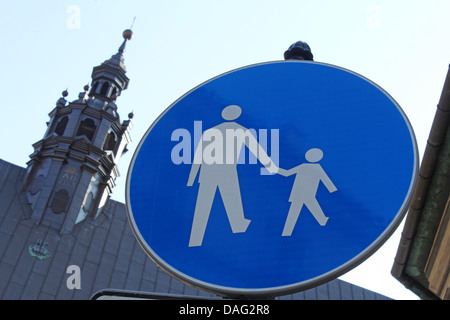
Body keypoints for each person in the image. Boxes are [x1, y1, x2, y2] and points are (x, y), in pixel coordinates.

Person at [187, 105, 279, 247]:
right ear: (237, 115)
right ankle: (239, 229)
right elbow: (256, 150)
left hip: (207, 172)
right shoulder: (240, 130)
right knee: (232, 199)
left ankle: (195, 239)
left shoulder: (209, 131)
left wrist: (191, 179)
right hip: (226, 170)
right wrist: (270, 166)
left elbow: (198, 157)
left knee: (203, 206)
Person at [277, 148, 337, 236]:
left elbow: (286, 173)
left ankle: (287, 231)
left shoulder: (305, 166)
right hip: (305, 194)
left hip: (300, 193)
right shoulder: (315, 167)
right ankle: (323, 221)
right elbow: (327, 181)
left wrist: (275, 169)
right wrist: (332, 190)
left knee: (296, 211)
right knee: (306, 208)